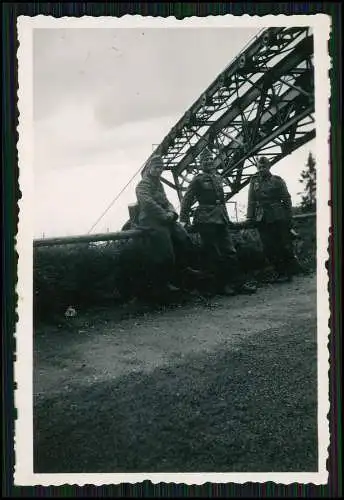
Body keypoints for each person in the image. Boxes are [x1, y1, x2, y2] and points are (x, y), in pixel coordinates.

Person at [179, 148, 257, 295]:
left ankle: (238, 284)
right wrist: (183, 219)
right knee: (213, 253)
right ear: (200, 164)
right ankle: (222, 286)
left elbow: (221, 202)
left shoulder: (218, 178)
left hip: (220, 219)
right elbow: (187, 200)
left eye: (210, 159)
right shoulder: (197, 180)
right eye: (205, 160)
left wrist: (227, 219)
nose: (208, 162)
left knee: (230, 251)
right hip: (206, 220)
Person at [135, 154, 198, 294]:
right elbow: (148, 204)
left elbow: (166, 202)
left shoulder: (159, 185)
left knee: (183, 237)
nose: (159, 170)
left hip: (164, 220)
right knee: (165, 249)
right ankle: (162, 283)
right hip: (150, 221)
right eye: (156, 167)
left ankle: (183, 270)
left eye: (161, 168)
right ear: (150, 168)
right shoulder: (143, 185)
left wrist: (172, 213)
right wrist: (165, 216)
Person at [246, 156, 299, 282]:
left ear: (269, 167)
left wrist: (289, 217)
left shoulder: (277, 181)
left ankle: (288, 272)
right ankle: (279, 272)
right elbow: (251, 201)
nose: (261, 169)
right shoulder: (254, 182)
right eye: (259, 167)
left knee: (283, 244)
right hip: (262, 218)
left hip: (277, 217)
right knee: (268, 247)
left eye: (264, 167)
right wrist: (250, 217)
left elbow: (286, 199)